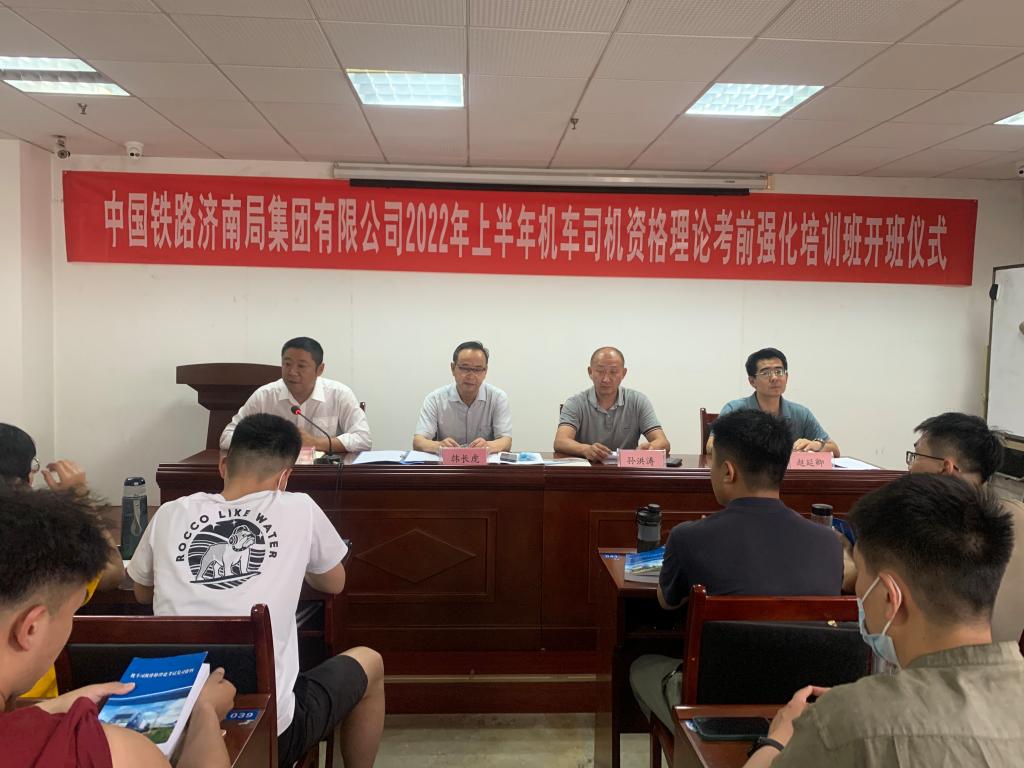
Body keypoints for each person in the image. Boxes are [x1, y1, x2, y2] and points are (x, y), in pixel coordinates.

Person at [130, 414, 385, 768]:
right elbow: (334, 582)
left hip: (174, 724)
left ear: (223, 466)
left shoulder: (170, 513)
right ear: (284, 477)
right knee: (371, 663)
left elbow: (142, 592)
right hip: (266, 732)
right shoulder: (299, 506)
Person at [742, 474, 1023, 767]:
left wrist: (781, 737)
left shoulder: (846, 723)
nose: (858, 588)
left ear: (890, 596)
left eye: (860, 572)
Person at [630, 410, 842, 729]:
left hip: (714, 706)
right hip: (802, 710)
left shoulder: (688, 537)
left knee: (640, 666)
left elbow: (667, 601)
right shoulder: (829, 543)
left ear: (728, 471)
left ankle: (691, 745)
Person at [0, 484, 236, 768]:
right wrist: (205, 712)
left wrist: (50, 707)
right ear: (32, 628)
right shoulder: (109, 751)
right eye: (72, 613)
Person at [0, 422, 125, 699]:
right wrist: (78, 496)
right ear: (29, 477)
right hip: (32, 704)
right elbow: (112, 572)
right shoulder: (51, 538)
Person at [906, 412, 1024, 643]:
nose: (910, 467)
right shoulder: (1017, 515)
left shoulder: (929, 525)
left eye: (916, 455)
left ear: (945, 467)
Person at [220, 336, 371, 454]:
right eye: (287, 364)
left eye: (301, 366)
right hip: (273, 473)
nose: (292, 372)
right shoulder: (264, 396)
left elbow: (363, 439)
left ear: (320, 369)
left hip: (325, 475)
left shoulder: (339, 394)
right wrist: (267, 442)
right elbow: (227, 437)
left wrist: (316, 442)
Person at [710, 348, 839, 457]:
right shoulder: (735, 409)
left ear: (786, 377)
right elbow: (711, 446)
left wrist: (817, 445)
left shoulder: (801, 413)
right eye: (765, 373)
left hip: (788, 477)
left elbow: (835, 450)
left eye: (779, 371)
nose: (774, 378)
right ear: (752, 381)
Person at [554, 347, 670, 460]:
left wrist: (651, 447)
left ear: (623, 373)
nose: (606, 379)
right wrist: (585, 449)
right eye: (600, 371)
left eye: (613, 372)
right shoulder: (575, 403)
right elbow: (560, 441)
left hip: (627, 470)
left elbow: (663, 442)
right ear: (590, 372)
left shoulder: (638, 401)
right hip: (588, 468)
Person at [413, 341, 512, 454]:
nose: (471, 375)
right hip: (448, 464)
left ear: (485, 371)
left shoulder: (498, 398)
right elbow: (418, 441)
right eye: (465, 368)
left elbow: (506, 441)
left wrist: (488, 446)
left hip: (484, 464)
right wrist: (439, 445)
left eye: (477, 369)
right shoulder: (435, 399)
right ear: (453, 368)